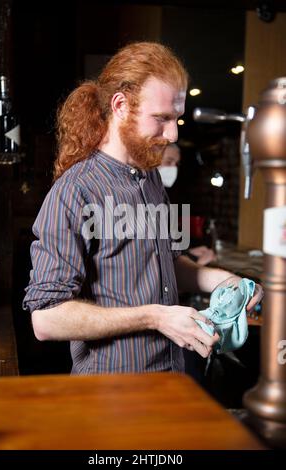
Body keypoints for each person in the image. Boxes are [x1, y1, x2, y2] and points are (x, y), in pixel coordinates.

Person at [23, 42, 263, 375]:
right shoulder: (75, 192)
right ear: (120, 105)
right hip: (111, 395)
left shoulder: (151, 180)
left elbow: (165, 264)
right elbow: (46, 319)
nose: (173, 133)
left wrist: (224, 281)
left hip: (171, 377)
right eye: (162, 118)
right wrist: (156, 316)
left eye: (176, 118)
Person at [158, 143, 217, 266]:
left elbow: (163, 248)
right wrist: (197, 268)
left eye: (177, 164)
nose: (173, 168)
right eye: (168, 162)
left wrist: (187, 253)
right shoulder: (142, 199)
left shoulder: (162, 195)